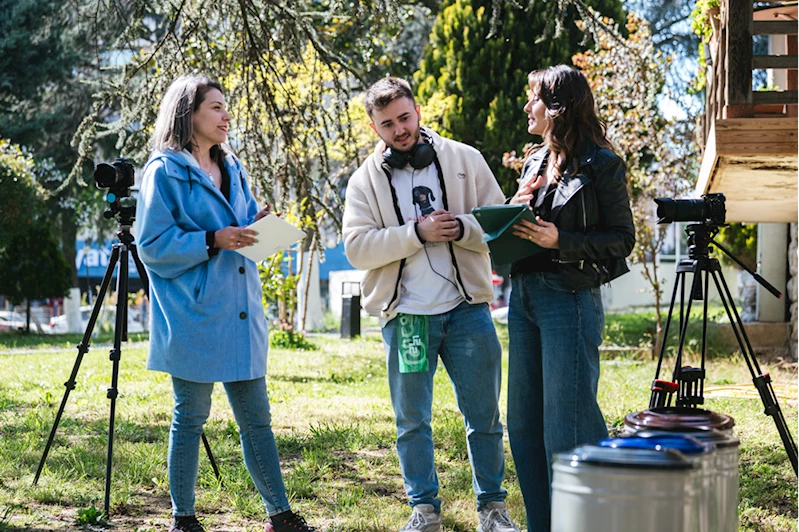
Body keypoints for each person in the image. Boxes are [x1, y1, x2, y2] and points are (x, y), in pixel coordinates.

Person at [135, 74, 318, 532]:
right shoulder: (164, 171)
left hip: (240, 309)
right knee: (190, 419)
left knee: (258, 420)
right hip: (195, 313)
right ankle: (183, 519)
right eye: (216, 107)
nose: (226, 115)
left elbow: (241, 222)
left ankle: (280, 515)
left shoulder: (232, 165)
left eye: (226, 107)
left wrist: (258, 225)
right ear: (188, 114)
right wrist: (213, 239)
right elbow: (153, 245)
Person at [342, 77, 521, 532]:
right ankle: (424, 510)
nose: (400, 130)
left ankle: (493, 511)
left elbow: (500, 225)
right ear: (374, 127)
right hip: (408, 320)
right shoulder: (364, 180)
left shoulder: (465, 158)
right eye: (387, 124)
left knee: (484, 415)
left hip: (467, 312)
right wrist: (415, 235)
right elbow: (357, 249)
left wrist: (461, 228)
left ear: (418, 111)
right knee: (412, 421)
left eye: (404, 117)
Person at [504, 64, 635, 531]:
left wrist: (562, 241)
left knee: (567, 430)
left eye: (533, 97)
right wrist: (513, 207)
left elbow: (622, 239)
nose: (526, 106)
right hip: (523, 299)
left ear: (557, 106)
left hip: (569, 299)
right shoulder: (535, 161)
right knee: (522, 427)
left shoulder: (603, 163)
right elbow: (520, 232)